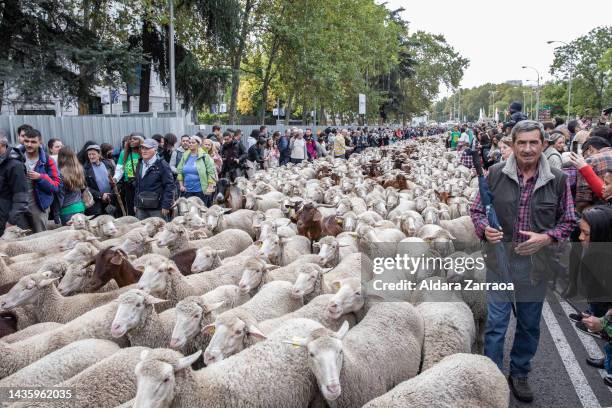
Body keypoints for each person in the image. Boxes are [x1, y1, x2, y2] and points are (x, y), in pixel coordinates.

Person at [470, 120, 577, 403]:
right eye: (522, 143)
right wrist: (484, 229)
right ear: (513, 144)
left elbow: (568, 222)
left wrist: (547, 238)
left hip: (535, 266)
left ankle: (519, 372)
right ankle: (490, 375)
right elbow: (477, 210)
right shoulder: (494, 174)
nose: (528, 149)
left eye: (533, 142)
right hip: (499, 262)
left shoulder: (558, 179)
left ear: (543, 144)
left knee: (529, 324)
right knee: (496, 324)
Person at [19, 128, 61, 232]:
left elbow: (56, 186)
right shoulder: (16, 156)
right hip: (18, 206)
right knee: (21, 239)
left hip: (39, 207)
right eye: (26, 141)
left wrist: (40, 177)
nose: (29, 144)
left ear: (40, 142)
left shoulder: (47, 160)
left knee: (40, 237)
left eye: (33, 142)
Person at [134, 138, 174, 220]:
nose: (144, 151)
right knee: (142, 231)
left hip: (157, 209)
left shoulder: (162, 164)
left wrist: (166, 205)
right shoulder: (139, 164)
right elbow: (137, 185)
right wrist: (136, 204)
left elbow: (169, 186)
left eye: (147, 148)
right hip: (141, 207)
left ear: (155, 149)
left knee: (159, 231)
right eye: (142, 148)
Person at [0, 133, 29, 236]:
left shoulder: (15, 165)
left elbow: (21, 198)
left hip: (8, 222)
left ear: (2, 145)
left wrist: (11, 222)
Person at [177, 135, 216, 206]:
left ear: (198, 144)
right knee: (188, 211)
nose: (190, 144)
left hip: (201, 190)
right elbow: (179, 171)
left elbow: (211, 172)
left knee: (201, 211)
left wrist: (210, 187)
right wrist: (181, 185)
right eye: (190, 142)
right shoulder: (185, 155)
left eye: (193, 143)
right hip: (187, 190)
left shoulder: (204, 156)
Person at [575, 136, 612, 212]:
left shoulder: (588, 162)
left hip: (599, 214)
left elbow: (583, 200)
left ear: (590, 149)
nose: (584, 157)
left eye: (584, 154)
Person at [114, 132, 143, 216]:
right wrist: (115, 179)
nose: (132, 141)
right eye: (130, 139)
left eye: (135, 139)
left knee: (142, 207)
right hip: (129, 184)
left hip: (142, 184)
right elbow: (119, 169)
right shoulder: (124, 153)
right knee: (131, 209)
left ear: (141, 141)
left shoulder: (145, 152)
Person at [84, 144, 117, 217]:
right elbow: (85, 187)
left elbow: (116, 180)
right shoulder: (86, 169)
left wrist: (111, 195)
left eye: (93, 154)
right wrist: (101, 195)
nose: (91, 156)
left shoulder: (108, 164)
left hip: (111, 200)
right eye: (89, 154)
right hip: (96, 202)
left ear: (99, 154)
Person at [57, 146, 86, 225]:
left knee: (71, 235)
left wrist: (56, 211)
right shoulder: (79, 170)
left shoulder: (60, 173)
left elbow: (60, 196)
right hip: (80, 207)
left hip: (67, 210)